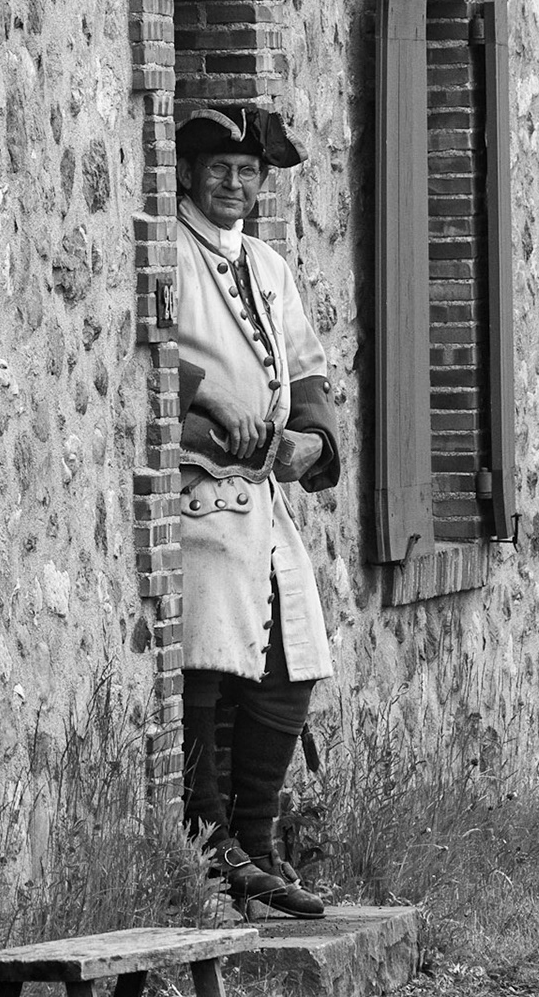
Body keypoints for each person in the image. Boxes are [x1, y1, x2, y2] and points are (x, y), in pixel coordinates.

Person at [172, 103, 340, 920]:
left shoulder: (268, 265)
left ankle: (259, 842)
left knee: (290, 668)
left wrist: (311, 442)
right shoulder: (165, 250)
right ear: (188, 175)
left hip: (264, 500)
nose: (233, 185)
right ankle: (210, 845)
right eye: (219, 170)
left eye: (248, 173)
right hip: (199, 493)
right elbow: (138, 352)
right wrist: (203, 405)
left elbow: (307, 377)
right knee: (205, 660)